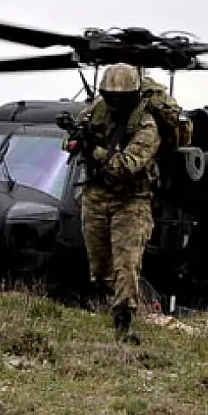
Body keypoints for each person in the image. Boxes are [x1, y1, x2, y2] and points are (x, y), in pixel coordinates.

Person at [64, 63, 161, 343]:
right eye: (110, 96)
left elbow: (128, 165)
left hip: (132, 200)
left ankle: (124, 320)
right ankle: (108, 306)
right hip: (96, 195)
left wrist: (92, 149)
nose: (115, 102)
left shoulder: (146, 124)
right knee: (100, 265)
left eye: (122, 97)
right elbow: (69, 143)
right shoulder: (96, 110)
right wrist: (75, 139)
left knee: (126, 263)